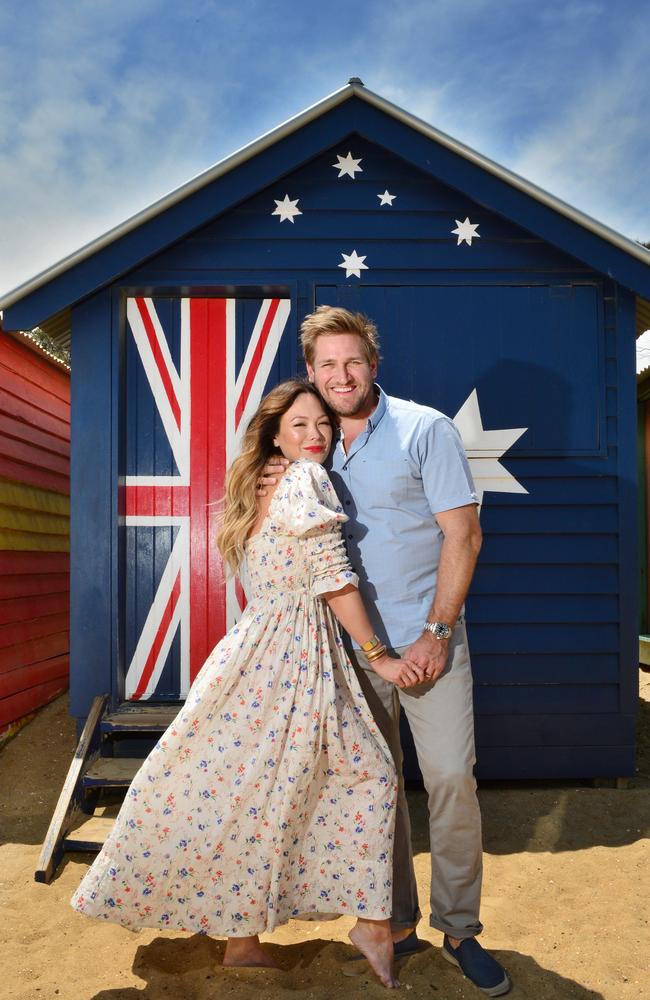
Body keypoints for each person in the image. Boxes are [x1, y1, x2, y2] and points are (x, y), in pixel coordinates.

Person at [71, 378, 425, 990]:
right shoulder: (304, 481)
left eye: (322, 425)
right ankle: (371, 922)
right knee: (372, 771)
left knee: (248, 791)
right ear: (274, 435)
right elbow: (334, 578)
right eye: (300, 426)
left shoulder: (259, 485)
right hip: (292, 655)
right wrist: (382, 656)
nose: (315, 436)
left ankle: (242, 941)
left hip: (250, 653)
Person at [260, 308, 511, 997]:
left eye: (354, 362)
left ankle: (459, 928)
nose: (341, 377)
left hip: (427, 641)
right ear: (310, 372)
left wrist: (437, 629)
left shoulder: (425, 429)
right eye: (327, 365)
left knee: (451, 777)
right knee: (375, 792)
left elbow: (464, 535)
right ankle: (394, 923)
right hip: (343, 650)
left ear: (375, 364)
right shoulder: (302, 443)